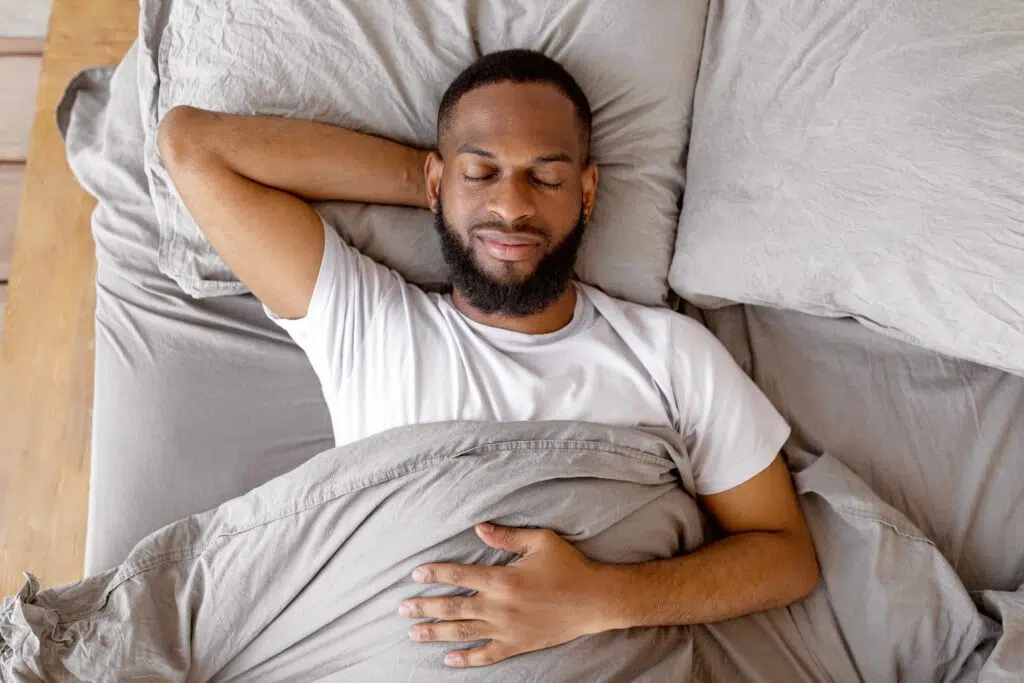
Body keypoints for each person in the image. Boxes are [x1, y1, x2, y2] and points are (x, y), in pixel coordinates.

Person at [157, 48, 819, 670]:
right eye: (482, 172)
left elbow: (786, 557)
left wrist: (600, 597)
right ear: (438, 179)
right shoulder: (367, 322)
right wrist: (438, 188)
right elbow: (193, 146)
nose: (511, 205)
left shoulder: (670, 353)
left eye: (546, 176)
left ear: (586, 193)